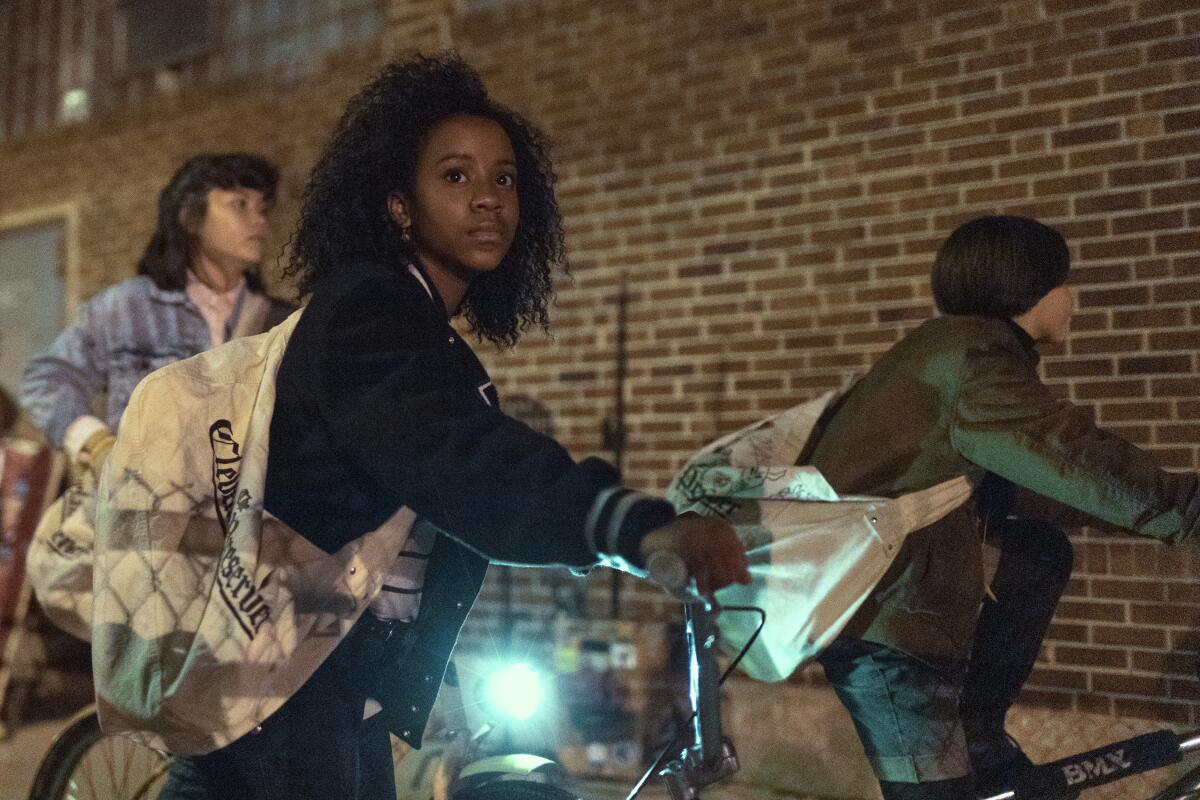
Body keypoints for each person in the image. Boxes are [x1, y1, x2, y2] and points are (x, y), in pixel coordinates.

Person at [155, 53, 750, 800]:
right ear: (400, 204)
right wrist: (628, 524)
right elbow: (463, 461)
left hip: (323, 688)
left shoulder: (428, 337)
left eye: (505, 178)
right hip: (280, 708)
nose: (488, 200)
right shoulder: (366, 311)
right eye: (456, 176)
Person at [799, 215, 1200, 800]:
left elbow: (1046, 489)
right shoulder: (974, 363)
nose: (1072, 299)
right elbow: (1077, 462)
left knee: (1037, 551)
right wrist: (1187, 509)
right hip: (888, 628)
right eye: (1063, 282)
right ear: (1028, 291)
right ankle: (972, 740)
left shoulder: (949, 352)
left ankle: (978, 730)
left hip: (904, 609)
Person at [20, 153, 293, 471]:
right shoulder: (128, 307)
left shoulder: (281, 322)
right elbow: (47, 378)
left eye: (262, 209)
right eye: (239, 204)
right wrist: (95, 443)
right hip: (144, 506)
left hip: (249, 510)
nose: (259, 221)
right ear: (190, 216)